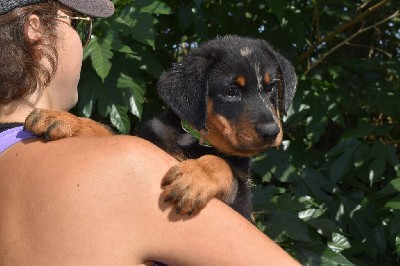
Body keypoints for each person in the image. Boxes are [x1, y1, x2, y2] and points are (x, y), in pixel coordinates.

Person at [0, 0, 300, 265]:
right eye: (79, 25)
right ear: (34, 28)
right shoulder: (132, 166)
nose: (83, 42)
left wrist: (84, 128)